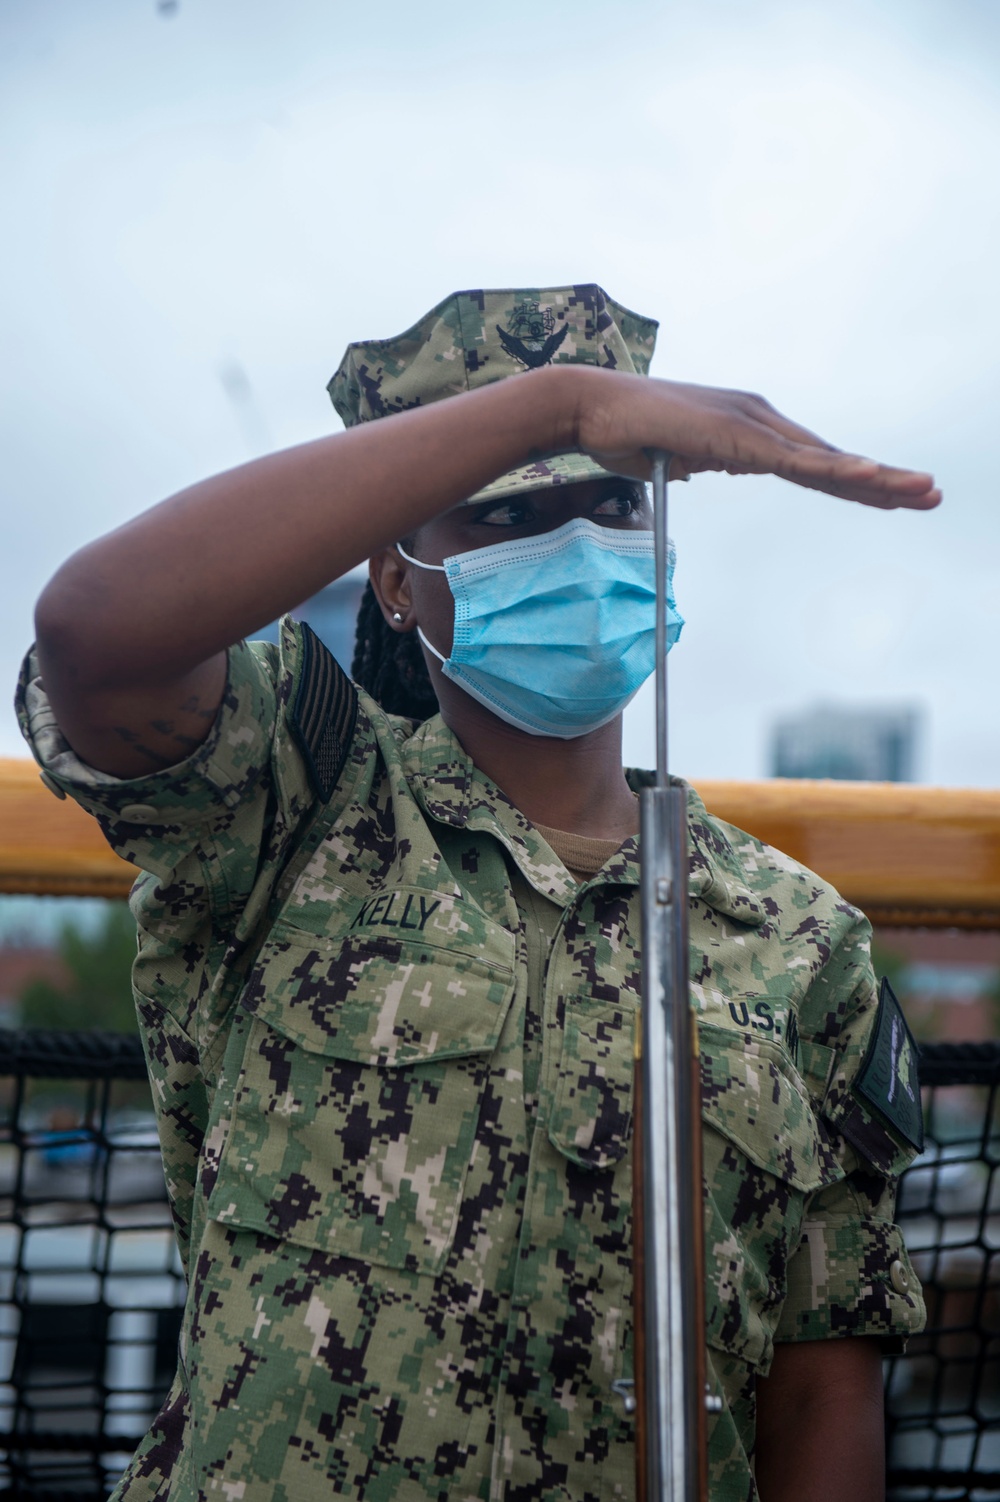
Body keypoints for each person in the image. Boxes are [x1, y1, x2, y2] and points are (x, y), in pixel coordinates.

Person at [16, 285, 935, 1502]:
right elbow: (98, 636)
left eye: (613, 500)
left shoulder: (794, 936)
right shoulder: (298, 807)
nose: (577, 544)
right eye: (508, 511)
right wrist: (555, 406)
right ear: (393, 583)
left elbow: (822, 1372)